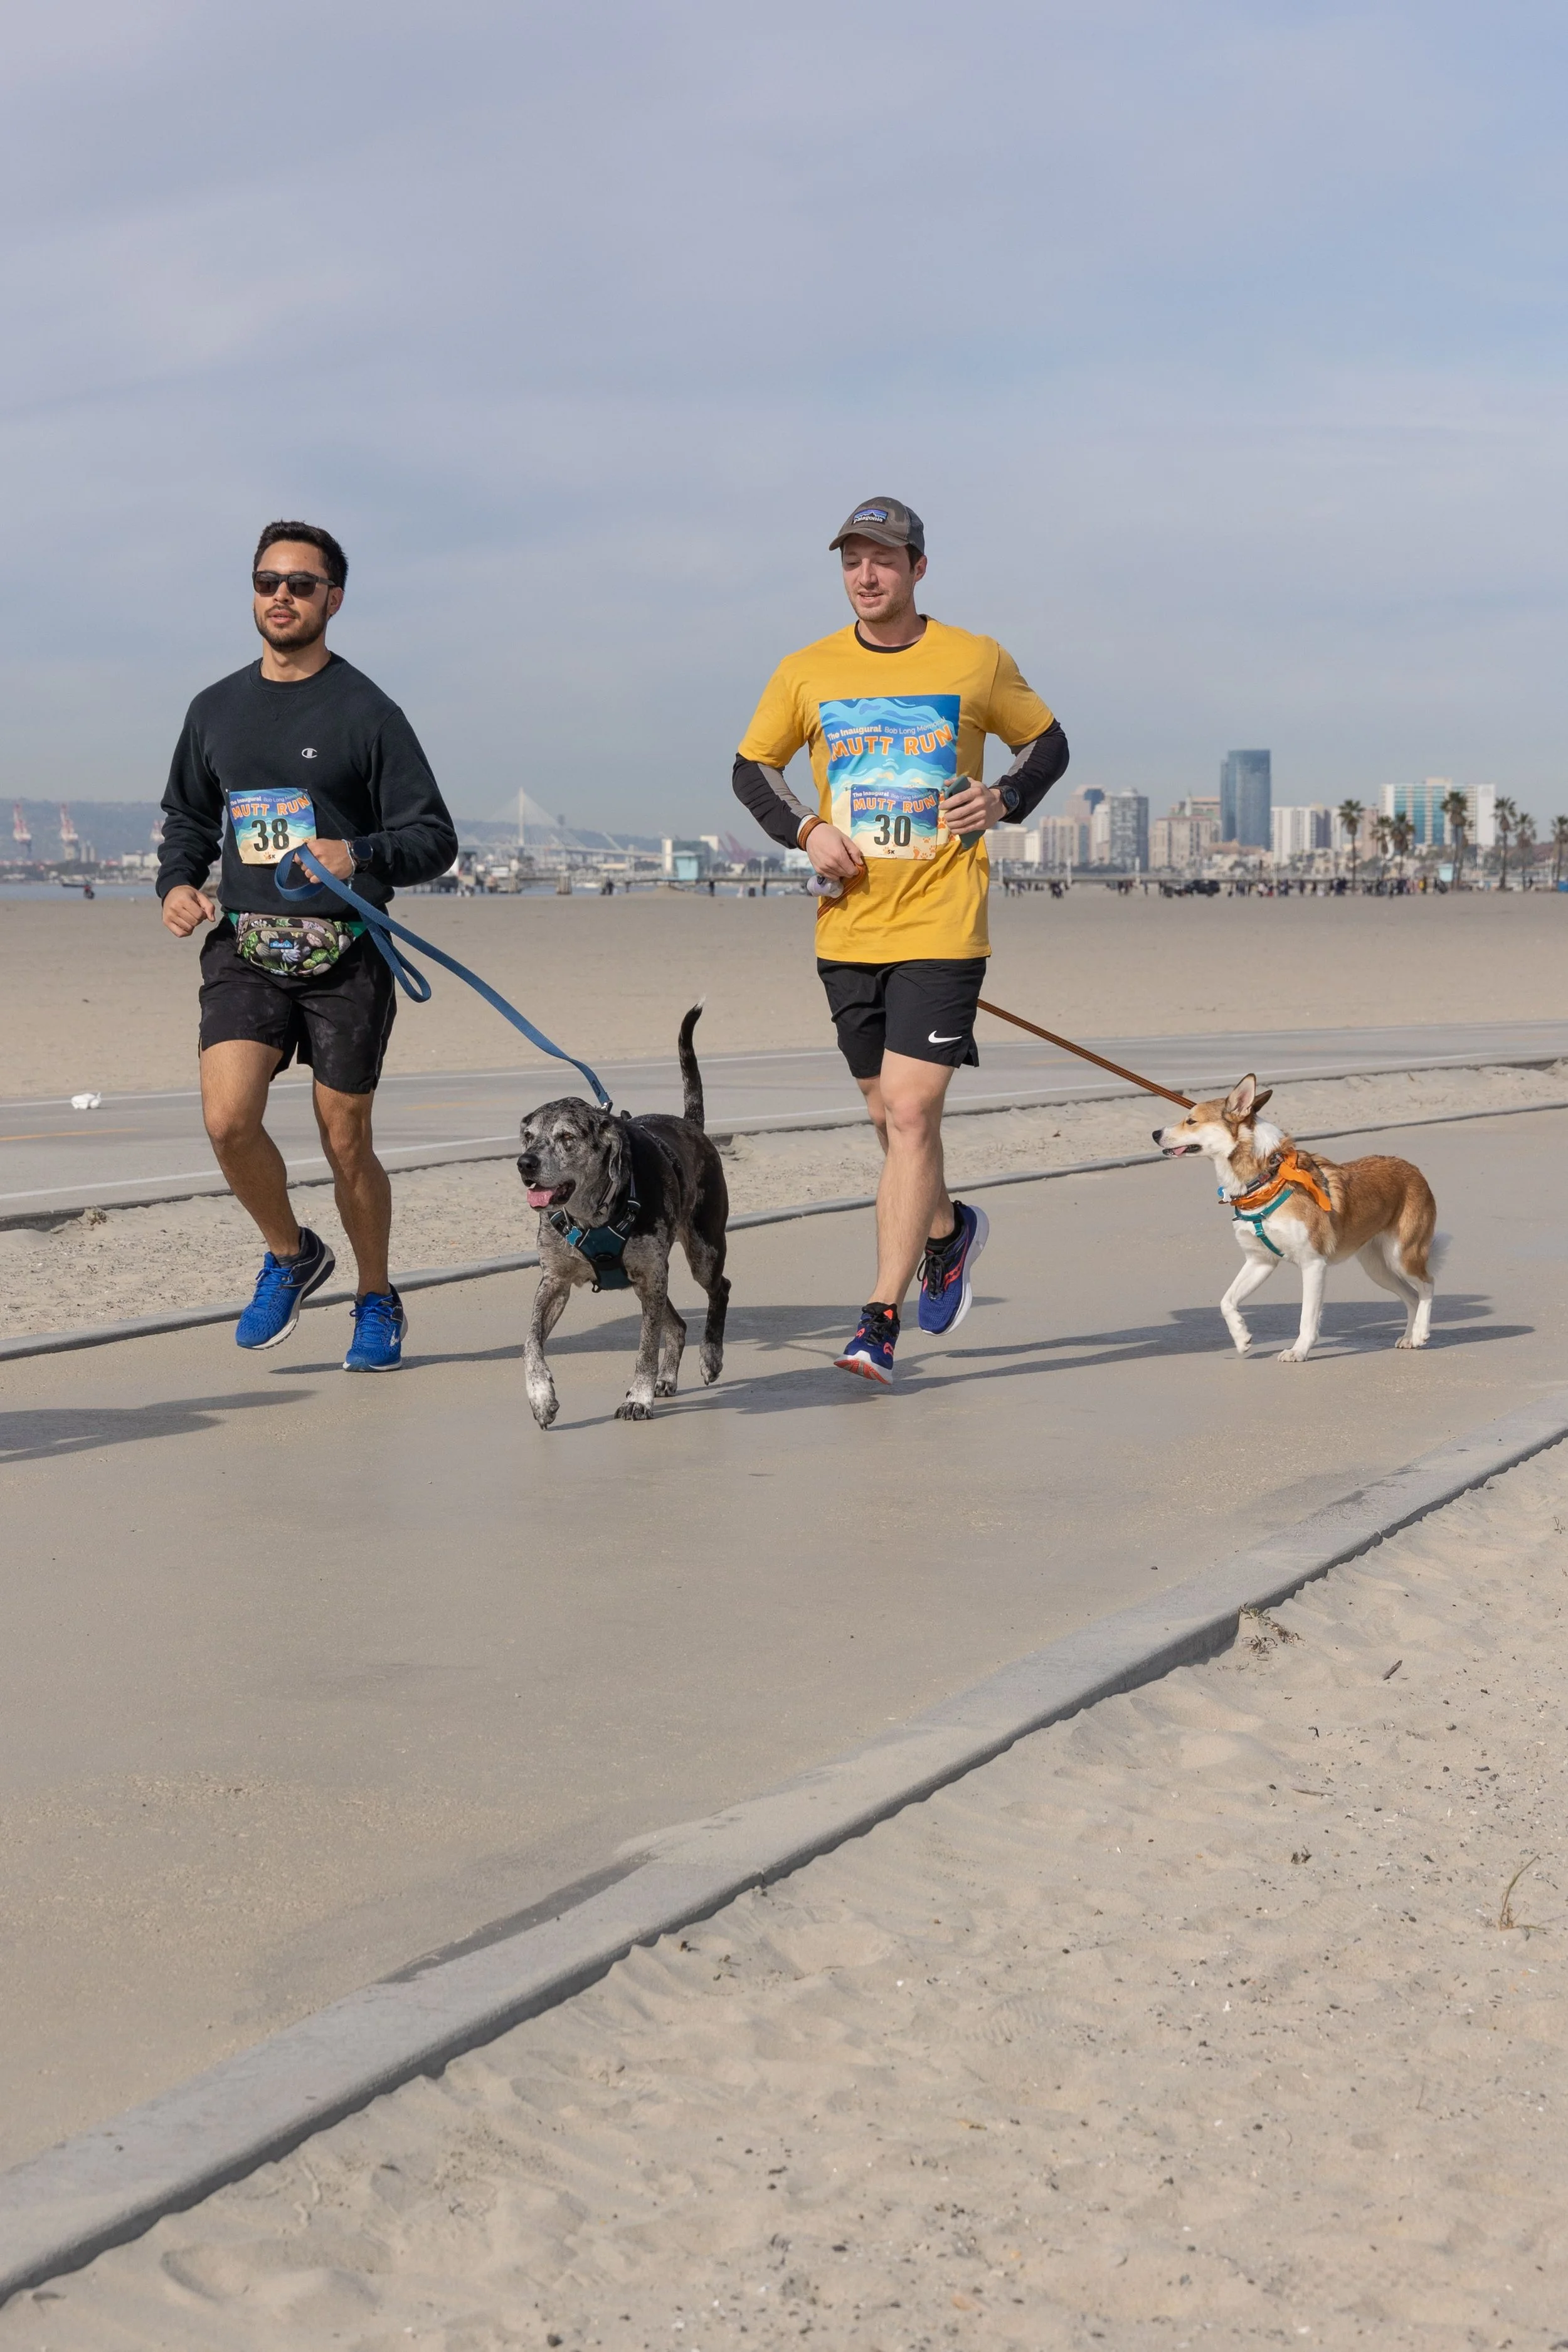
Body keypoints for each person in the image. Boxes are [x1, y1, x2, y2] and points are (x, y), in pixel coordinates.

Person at [733, 496, 1067, 1384]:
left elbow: (1048, 744)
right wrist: (805, 830)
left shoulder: (975, 658)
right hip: (848, 926)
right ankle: (950, 1231)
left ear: (919, 566)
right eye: (852, 560)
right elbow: (750, 767)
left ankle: (877, 1320)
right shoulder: (806, 670)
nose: (867, 575)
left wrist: (1001, 799)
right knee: (889, 1121)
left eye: (884, 558)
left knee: (915, 1113)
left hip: (945, 922)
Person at [157, 522, 457, 1370]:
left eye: (299, 582)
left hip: (347, 952)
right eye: (266, 581)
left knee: (346, 1139)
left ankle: (375, 1296)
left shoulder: (369, 712)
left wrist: (355, 853)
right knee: (227, 1118)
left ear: (334, 599)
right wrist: (177, 883)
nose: (280, 596)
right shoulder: (214, 707)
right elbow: (187, 816)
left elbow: (434, 837)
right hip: (246, 943)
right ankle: (292, 1254)